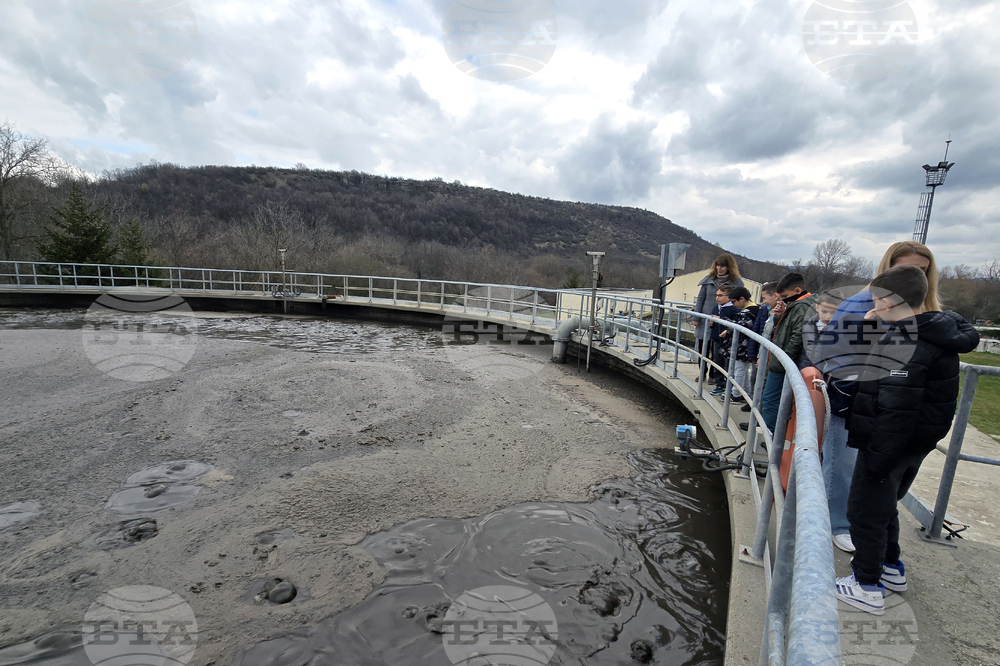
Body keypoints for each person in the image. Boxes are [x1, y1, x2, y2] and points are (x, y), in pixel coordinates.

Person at [835, 264, 979, 615]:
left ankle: (866, 584)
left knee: (865, 511)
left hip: (888, 445)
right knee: (885, 506)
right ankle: (891, 567)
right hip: (912, 445)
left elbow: (896, 405)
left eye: (876, 300)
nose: (873, 306)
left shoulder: (907, 343)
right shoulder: (932, 333)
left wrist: (879, 459)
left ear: (888, 300)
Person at [801, 289, 858, 553]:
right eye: (824, 311)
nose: (827, 316)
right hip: (832, 393)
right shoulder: (815, 328)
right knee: (835, 457)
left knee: (838, 457)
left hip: (845, 395)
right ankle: (836, 524)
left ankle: (831, 514)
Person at [759, 272, 818, 433]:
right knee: (777, 399)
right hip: (786, 361)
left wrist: (783, 359)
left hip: (784, 363)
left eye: (785, 296)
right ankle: (772, 430)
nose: (783, 299)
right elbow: (788, 328)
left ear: (798, 290)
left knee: (771, 399)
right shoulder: (804, 305)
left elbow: (797, 335)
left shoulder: (801, 307)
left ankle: (770, 434)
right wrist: (780, 316)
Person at [693, 254, 744, 377]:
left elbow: (740, 301)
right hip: (706, 317)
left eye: (723, 266)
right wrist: (696, 317)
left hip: (723, 319)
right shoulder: (708, 280)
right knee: (702, 348)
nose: (719, 269)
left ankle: (713, 374)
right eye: (717, 266)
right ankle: (702, 372)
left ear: (729, 267)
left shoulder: (736, 282)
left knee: (717, 349)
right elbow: (701, 298)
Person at [718, 286, 760, 402]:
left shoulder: (750, 311)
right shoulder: (754, 310)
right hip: (744, 346)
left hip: (743, 346)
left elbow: (742, 326)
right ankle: (745, 392)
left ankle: (736, 394)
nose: (733, 304)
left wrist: (727, 322)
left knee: (739, 370)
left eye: (733, 302)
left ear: (741, 299)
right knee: (743, 370)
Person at [744, 281, 778, 413]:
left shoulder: (780, 313)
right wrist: (754, 354)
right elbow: (758, 330)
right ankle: (755, 409)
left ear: (775, 295)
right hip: (761, 352)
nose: (763, 302)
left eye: (764, 298)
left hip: (770, 357)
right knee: (756, 380)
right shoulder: (764, 310)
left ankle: (760, 417)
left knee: (765, 387)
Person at [708, 286, 735, 395]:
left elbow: (735, 323)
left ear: (728, 297)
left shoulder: (733, 309)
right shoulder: (716, 308)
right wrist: (712, 324)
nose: (717, 298)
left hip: (728, 342)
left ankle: (728, 386)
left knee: (727, 364)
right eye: (716, 295)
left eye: (720, 295)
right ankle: (719, 385)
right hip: (716, 339)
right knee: (717, 361)